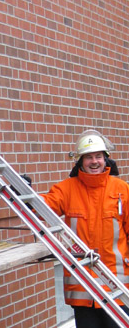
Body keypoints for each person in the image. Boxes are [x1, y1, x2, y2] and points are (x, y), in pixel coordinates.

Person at [42, 129, 129, 327]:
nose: (94, 161)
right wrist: (22, 192)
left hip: (117, 288)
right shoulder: (66, 189)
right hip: (83, 288)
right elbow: (44, 207)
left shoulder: (122, 189)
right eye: (88, 157)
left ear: (106, 159)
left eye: (98, 156)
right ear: (80, 161)